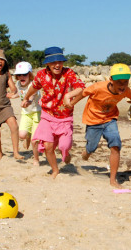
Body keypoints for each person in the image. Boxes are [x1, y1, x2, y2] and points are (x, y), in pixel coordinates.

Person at [65, 63, 131, 188]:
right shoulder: (98, 87)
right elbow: (83, 93)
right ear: (111, 80)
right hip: (93, 120)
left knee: (115, 145)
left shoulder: (126, 90)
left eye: (125, 82)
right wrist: (72, 103)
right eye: (119, 82)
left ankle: (113, 180)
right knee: (91, 147)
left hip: (110, 120)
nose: (122, 85)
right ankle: (86, 152)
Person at [21, 47, 85, 179]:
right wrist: (26, 97)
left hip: (65, 118)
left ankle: (66, 153)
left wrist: (70, 97)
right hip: (47, 116)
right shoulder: (41, 75)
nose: (57, 65)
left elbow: (81, 88)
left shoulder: (69, 73)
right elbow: (34, 87)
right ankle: (55, 169)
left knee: (64, 146)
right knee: (48, 146)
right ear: (47, 64)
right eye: (53, 62)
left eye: (60, 61)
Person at [8, 61, 41, 166]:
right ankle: (27, 137)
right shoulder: (18, 84)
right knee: (22, 135)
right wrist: (12, 96)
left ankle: (36, 159)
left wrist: (28, 101)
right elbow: (19, 93)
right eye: (19, 75)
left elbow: (31, 96)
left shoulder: (34, 85)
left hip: (36, 113)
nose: (21, 76)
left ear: (30, 75)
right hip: (26, 113)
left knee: (34, 141)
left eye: (25, 74)